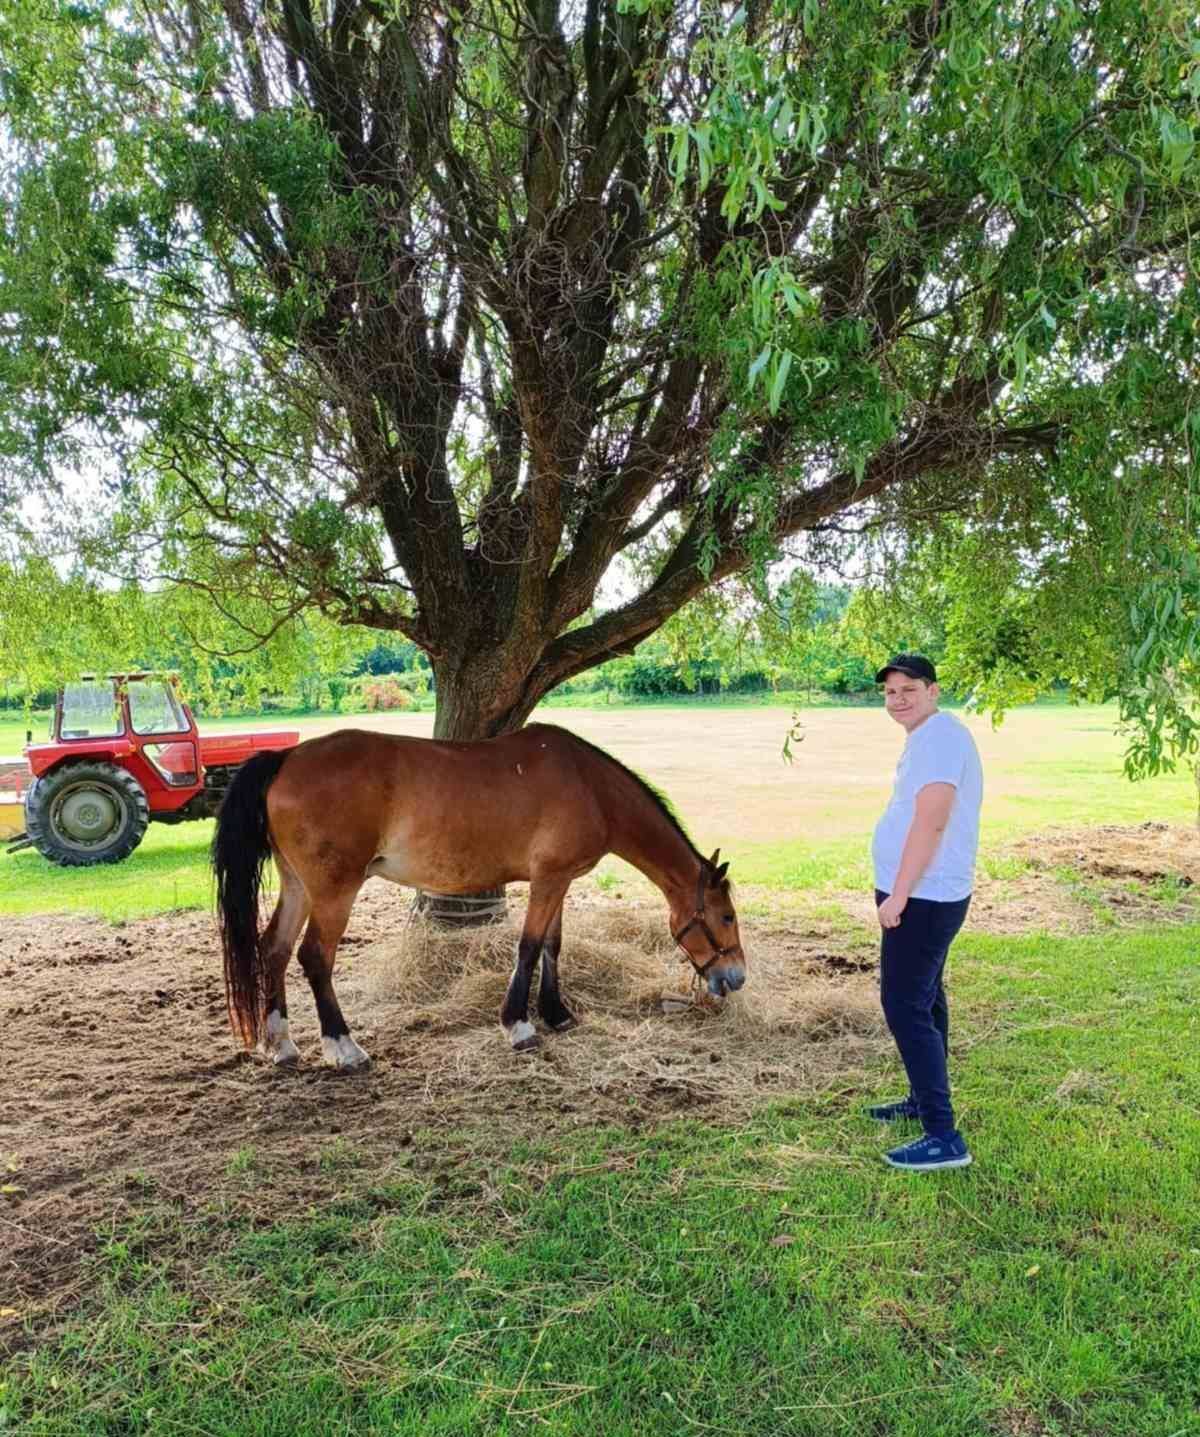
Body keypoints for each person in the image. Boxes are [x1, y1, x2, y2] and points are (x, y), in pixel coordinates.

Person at [867, 653, 983, 1171]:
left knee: (905, 1005)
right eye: (890, 692)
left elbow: (931, 822)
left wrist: (899, 894)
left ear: (933, 690)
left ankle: (943, 1136)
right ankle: (922, 1101)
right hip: (927, 892)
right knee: (926, 999)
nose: (898, 700)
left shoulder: (939, 740)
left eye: (908, 690)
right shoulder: (932, 737)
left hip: (925, 895)